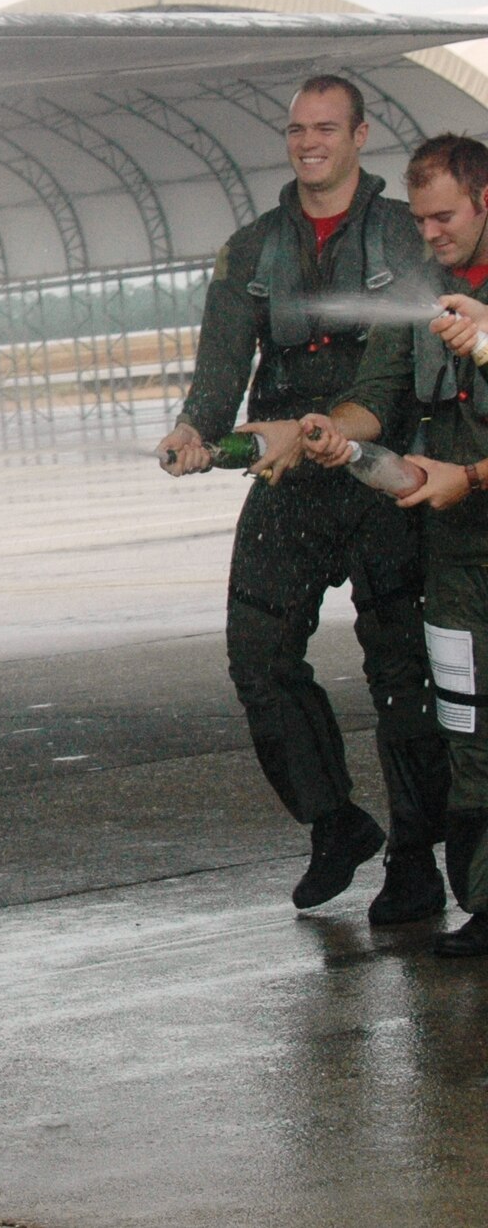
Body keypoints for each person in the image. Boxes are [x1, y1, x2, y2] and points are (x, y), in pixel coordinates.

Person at [155, 75, 448, 924]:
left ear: (361, 135)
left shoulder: (403, 235)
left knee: (402, 672)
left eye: (326, 128)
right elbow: (221, 364)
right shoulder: (252, 249)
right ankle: (333, 821)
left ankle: (416, 858)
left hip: (378, 460)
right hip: (287, 471)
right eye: (296, 130)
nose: (308, 142)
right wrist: (193, 431)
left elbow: (408, 366)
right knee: (257, 653)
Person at [304, 133, 488, 954]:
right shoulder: (421, 293)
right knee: (468, 723)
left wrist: (471, 476)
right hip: (457, 555)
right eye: (419, 219)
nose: (432, 233)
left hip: (469, 501)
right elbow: (377, 393)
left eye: (445, 216)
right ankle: (485, 900)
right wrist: (334, 432)